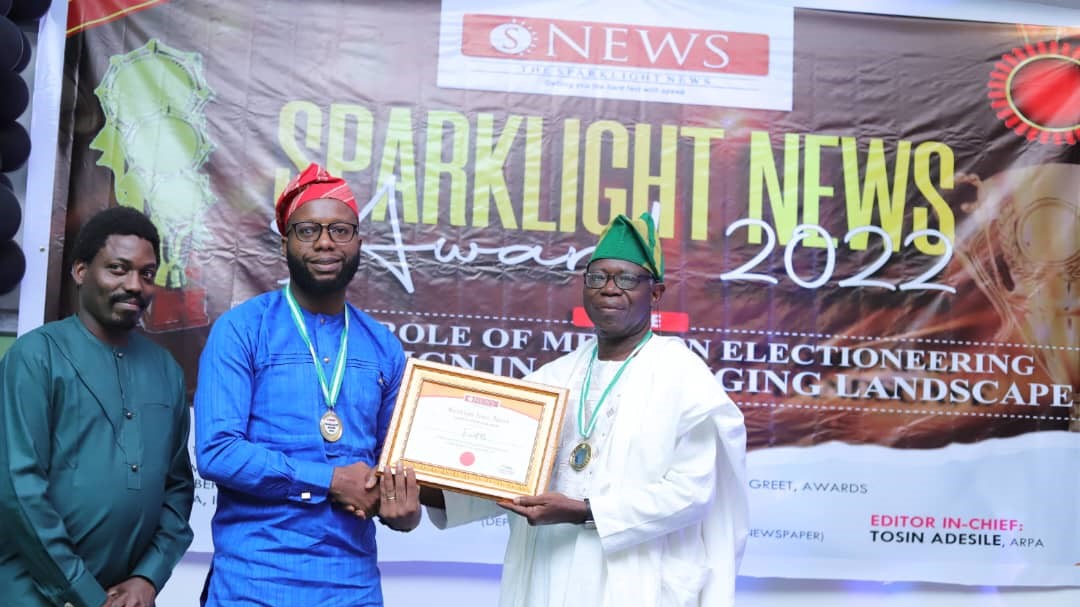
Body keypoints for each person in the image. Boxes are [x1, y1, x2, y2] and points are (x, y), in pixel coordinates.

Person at [426, 212, 749, 607]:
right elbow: (501, 474)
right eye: (598, 277)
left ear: (656, 293)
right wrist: (423, 486)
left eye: (626, 279)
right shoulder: (550, 379)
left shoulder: (683, 377)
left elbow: (692, 492)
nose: (610, 289)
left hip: (635, 582)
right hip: (549, 572)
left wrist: (585, 512)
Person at [194, 163, 420, 606]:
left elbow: (393, 468)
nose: (324, 242)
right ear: (285, 243)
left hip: (351, 587)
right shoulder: (241, 330)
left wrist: (404, 508)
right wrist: (329, 480)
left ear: (358, 242)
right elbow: (218, 451)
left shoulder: (383, 348)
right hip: (253, 583)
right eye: (307, 230)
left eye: (339, 229)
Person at [0, 206, 195, 607]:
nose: (135, 285)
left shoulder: (166, 371)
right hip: (34, 593)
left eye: (146, 273)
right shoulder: (36, 356)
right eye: (118, 269)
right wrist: (84, 593)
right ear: (80, 272)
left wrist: (147, 579)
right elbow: (19, 490)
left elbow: (177, 489)